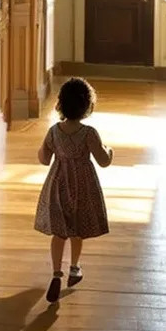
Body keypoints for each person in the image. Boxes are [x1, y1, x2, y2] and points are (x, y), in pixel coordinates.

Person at [34, 77, 113, 303]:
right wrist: (109, 150)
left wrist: (44, 149)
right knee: (77, 230)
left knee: (60, 232)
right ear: (87, 106)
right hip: (82, 186)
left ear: (60, 104)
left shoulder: (54, 131)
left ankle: (57, 273)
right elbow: (103, 160)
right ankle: (75, 267)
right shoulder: (89, 133)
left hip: (58, 183)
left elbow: (44, 158)